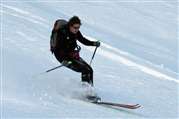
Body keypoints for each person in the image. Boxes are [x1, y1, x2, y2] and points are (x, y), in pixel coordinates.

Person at [51, 16, 100, 87]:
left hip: (72, 55)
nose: (77, 29)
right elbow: (59, 49)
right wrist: (65, 60)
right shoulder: (62, 33)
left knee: (89, 69)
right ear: (70, 25)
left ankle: (90, 90)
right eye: (75, 27)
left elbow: (83, 40)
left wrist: (93, 43)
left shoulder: (76, 32)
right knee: (85, 70)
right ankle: (86, 93)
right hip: (62, 57)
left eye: (78, 27)